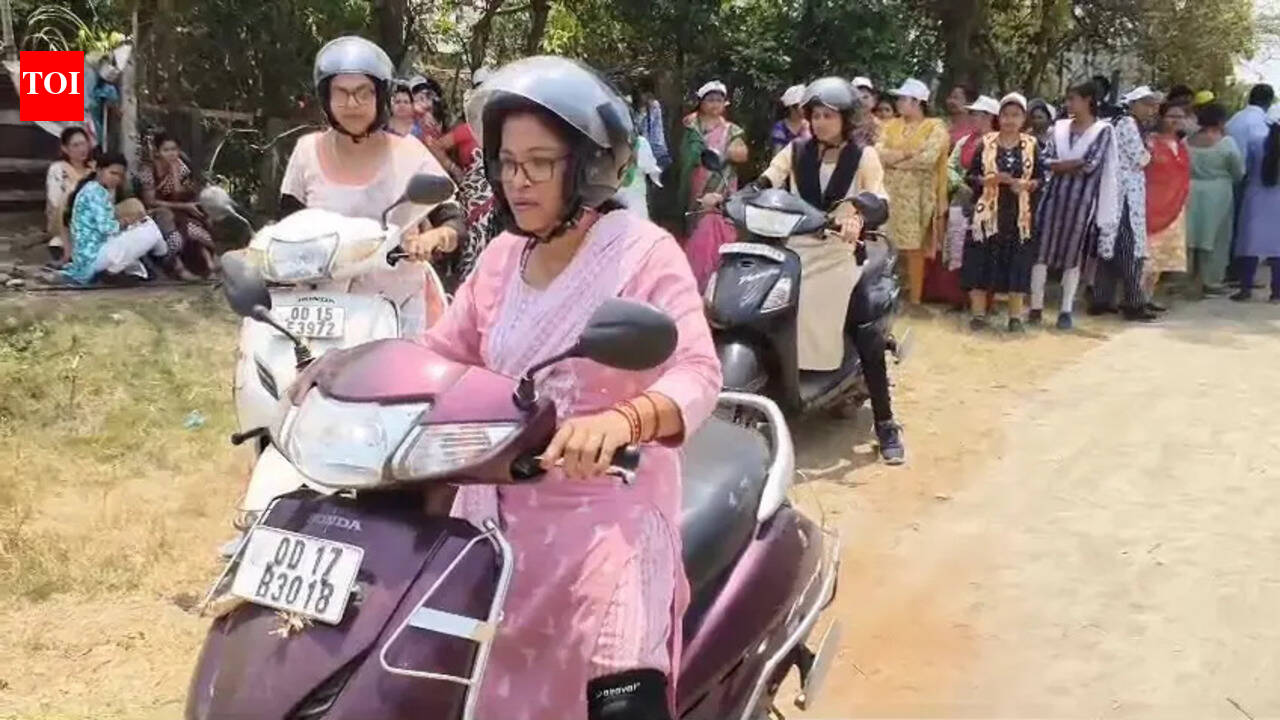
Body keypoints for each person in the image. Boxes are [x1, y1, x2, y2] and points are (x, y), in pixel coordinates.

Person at [429, 55, 721, 720]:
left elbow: (698, 371)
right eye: (507, 162)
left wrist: (622, 422)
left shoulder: (644, 253)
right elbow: (442, 351)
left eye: (540, 163)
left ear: (588, 168)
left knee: (616, 686)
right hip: (494, 512)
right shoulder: (502, 258)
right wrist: (352, 378)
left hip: (607, 513)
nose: (519, 181)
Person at [754, 77, 903, 464]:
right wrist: (738, 195)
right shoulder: (797, 149)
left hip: (841, 250)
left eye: (828, 116)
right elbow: (770, 176)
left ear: (846, 119)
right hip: (797, 245)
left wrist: (859, 212)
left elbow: (878, 196)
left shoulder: (863, 155)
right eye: (815, 115)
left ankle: (886, 424)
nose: (820, 122)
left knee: (865, 325)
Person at [279, 36, 465, 338]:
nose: (352, 104)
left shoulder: (410, 153)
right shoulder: (306, 153)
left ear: (381, 97)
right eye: (341, 93)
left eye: (363, 93)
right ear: (326, 98)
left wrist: (435, 237)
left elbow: (453, 217)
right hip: (322, 308)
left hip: (396, 307)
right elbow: (287, 227)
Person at [1031, 81, 1119, 330]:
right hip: (1053, 198)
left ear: (1088, 100)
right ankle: (1036, 307)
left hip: (1081, 202)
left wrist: (1062, 165)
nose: (1068, 104)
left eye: (1073, 99)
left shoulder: (1102, 131)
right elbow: (1045, 159)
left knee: (1073, 255)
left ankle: (1065, 310)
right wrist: (1070, 164)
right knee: (1041, 252)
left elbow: (1091, 163)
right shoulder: (1059, 129)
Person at [963, 93, 1043, 332]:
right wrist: (991, 180)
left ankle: (1015, 317)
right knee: (980, 260)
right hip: (987, 214)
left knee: (1018, 261)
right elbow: (970, 176)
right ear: (999, 117)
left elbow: (1041, 178)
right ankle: (978, 315)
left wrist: (1026, 185)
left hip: (1019, 215)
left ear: (1023, 118)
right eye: (1006, 115)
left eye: (1015, 115)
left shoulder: (1032, 145)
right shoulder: (986, 142)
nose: (1010, 120)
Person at [877, 78, 949, 306]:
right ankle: (885, 296)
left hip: (918, 197)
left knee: (913, 248)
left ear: (917, 102)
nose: (898, 102)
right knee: (885, 244)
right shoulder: (890, 126)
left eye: (902, 98)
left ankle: (915, 298)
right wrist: (907, 154)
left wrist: (894, 158)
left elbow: (928, 159)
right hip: (889, 193)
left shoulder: (935, 127)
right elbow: (878, 153)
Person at [1090, 86, 1159, 321]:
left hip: (1121, 193)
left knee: (1111, 248)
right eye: (1147, 104)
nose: (1151, 110)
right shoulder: (1129, 124)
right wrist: (1150, 151)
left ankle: (1102, 298)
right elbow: (1140, 158)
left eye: (1153, 105)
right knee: (1129, 249)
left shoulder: (1122, 123)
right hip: (1125, 196)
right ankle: (1133, 302)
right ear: (1134, 104)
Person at [676, 80, 747, 290]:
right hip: (696, 184)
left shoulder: (732, 130)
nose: (715, 104)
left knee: (717, 229)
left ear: (725, 103)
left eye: (719, 100)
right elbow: (684, 155)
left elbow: (742, 154)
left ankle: (717, 280)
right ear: (701, 102)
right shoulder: (690, 127)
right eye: (710, 100)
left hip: (722, 187)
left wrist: (729, 152)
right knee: (695, 229)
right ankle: (694, 280)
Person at [939, 95, 1000, 307]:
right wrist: (960, 183)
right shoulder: (965, 142)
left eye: (978, 114)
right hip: (962, 197)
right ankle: (958, 298)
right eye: (973, 113)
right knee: (957, 247)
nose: (973, 118)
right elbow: (949, 166)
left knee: (985, 250)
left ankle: (984, 301)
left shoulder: (1000, 142)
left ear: (990, 117)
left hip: (989, 201)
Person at [137, 132, 217, 277]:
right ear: (157, 152)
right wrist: (183, 207)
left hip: (180, 209)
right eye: (166, 150)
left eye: (174, 150)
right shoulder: (147, 170)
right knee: (179, 233)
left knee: (200, 226)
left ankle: (211, 265)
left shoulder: (181, 167)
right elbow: (149, 201)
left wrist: (174, 174)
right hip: (156, 211)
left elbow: (179, 195)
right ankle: (178, 268)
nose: (171, 154)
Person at [1186, 103, 1245, 296]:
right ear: (1221, 120)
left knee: (1191, 235)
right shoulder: (1226, 143)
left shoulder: (1187, 141)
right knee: (1217, 236)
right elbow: (1238, 171)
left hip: (1191, 189)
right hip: (1218, 191)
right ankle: (1211, 280)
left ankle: (1186, 279)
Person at [1141, 102, 1192, 304]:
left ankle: (1148, 298)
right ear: (1161, 117)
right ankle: (1136, 298)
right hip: (1152, 204)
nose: (1175, 121)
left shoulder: (1182, 146)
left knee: (1161, 261)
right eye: (1171, 116)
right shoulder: (1150, 142)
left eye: (1180, 117)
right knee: (1147, 257)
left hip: (1175, 206)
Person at [1231, 117, 1280, 302]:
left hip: (1255, 196)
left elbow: (1247, 168)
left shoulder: (1256, 143)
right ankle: (1276, 293)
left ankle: (1245, 289)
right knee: (1277, 248)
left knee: (1249, 244)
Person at [62, 151, 128, 285]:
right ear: (99, 170)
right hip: (91, 254)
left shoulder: (96, 189)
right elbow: (106, 228)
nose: (116, 179)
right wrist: (126, 222)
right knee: (145, 233)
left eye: (120, 176)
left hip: (87, 253)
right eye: (113, 173)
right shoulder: (95, 192)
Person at [44, 126, 94, 265]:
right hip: (64, 220)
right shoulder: (58, 169)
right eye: (76, 145)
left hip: (93, 220)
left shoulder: (94, 169)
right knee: (68, 198)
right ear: (65, 149)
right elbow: (55, 202)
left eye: (84, 143)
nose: (82, 149)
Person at [633, 75, 671, 170]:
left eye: (649, 94)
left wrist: (661, 156)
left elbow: (657, 134)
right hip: (631, 155)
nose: (647, 97)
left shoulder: (654, 106)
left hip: (650, 154)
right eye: (644, 93)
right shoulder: (627, 105)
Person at [771, 84, 810, 154]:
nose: (806, 109)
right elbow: (777, 154)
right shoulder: (780, 128)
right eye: (802, 106)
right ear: (792, 108)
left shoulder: (810, 125)